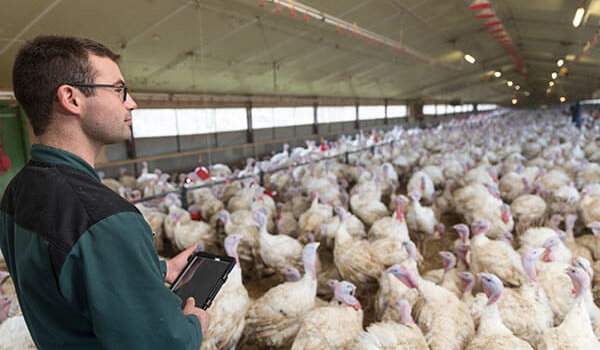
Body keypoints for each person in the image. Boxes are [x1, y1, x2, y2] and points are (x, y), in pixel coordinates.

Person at [0, 35, 208, 349]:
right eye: (118, 89)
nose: (131, 102)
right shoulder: (104, 220)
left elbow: (64, 277)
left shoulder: (17, 192)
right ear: (71, 99)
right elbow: (162, 344)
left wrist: (157, 269)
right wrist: (194, 325)